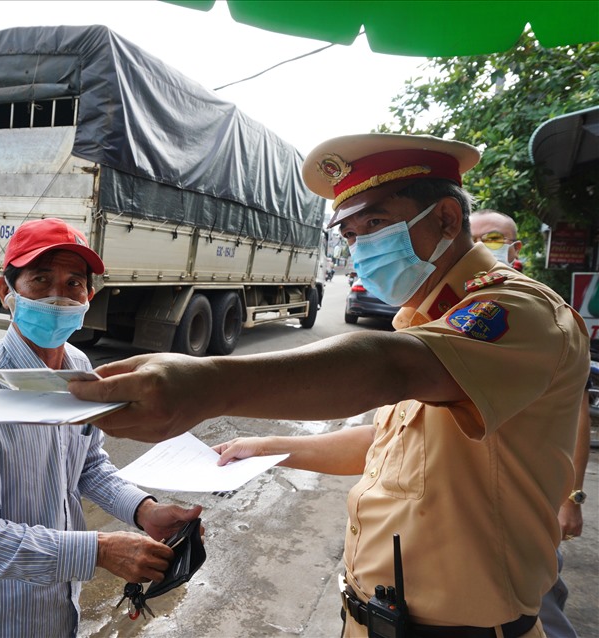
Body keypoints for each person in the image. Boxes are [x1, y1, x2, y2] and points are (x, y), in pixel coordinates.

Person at [70, 133, 590, 637]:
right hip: (372, 618)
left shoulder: (516, 311)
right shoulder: (422, 317)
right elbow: (391, 445)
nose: (361, 246)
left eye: (377, 223)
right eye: (351, 234)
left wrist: (211, 385)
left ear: (448, 218)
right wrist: (270, 446)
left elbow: (389, 366)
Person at [0, 217, 201, 637]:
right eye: (40, 280)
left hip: (59, 613)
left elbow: (88, 463)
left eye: (74, 283)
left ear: (89, 296)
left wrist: (144, 511)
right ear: (7, 293)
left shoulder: (78, 367)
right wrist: (99, 551)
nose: (59, 298)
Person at [470, 209, 591, 638]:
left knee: (539, 612)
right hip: (478, 517)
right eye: (476, 239)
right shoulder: (462, 311)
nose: (486, 247)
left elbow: (578, 417)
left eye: (495, 238)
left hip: (527, 516)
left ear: (516, 249)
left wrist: (571, 498)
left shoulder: (542, 313)